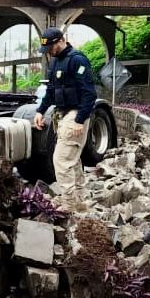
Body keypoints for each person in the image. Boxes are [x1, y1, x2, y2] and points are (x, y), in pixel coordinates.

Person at [32, 26, 97, 204]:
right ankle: (80, 201)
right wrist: (40, 111)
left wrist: (80, 120)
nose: (49, 52)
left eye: (51, 47)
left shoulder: (77, 60)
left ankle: (69, 203)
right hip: (62, 114)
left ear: (61, 40)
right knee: (72, 160)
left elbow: (89, 93)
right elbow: (51, 90)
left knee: (61, 160)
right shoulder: (54, 62)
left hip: (75, 114)